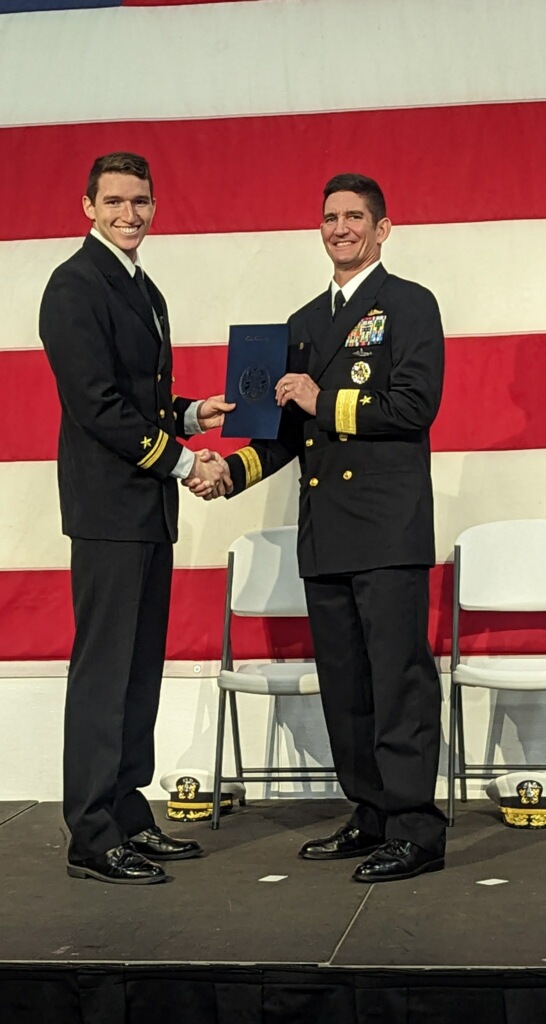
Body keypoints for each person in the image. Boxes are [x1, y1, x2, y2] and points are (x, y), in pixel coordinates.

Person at [193, 173, 447, 882]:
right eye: (330, 217)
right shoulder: (302, 322)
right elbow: (278, 433)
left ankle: (415, 828)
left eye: (355, 216)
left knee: (398, 681)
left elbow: (414, 406)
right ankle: (369, 814)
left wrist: (321, 395)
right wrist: (226, 472)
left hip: (387, 529)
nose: (340, 228)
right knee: (345, 684)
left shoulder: (409, 305)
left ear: (383, 227)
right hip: (326, 531)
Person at [39, 151, 233, 885]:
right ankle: (91, 832)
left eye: (142, 201)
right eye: (115, 201)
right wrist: (185, 461)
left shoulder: (140, 285)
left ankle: (126, 810)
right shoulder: (73, 286)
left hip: (142, 508)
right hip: (108, 509)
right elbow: (97, 405)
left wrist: (190, 414)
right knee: (103, 672)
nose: (130, 213)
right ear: (87, 205)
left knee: (137, 670)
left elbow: (141, 399)